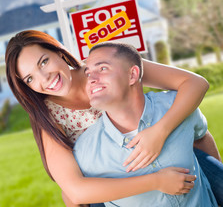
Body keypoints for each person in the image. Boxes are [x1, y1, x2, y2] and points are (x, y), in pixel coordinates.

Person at [5, 30, 222, 205]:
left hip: (168, 154)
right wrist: (156, 182)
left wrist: (160, 131)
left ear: (59, 53)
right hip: (116, 184)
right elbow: (75, 190)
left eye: (43, 62)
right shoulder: (48, 117)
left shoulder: (105, 67)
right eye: (30, 78)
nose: (44, 78)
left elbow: (195, 84)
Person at [73, 42, 219, 206]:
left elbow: (201, 137)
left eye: (102, 69)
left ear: (132, 75)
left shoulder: (177, 105)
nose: (91, 79)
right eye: (87, 74)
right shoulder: (85, 152)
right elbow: (75, 196)